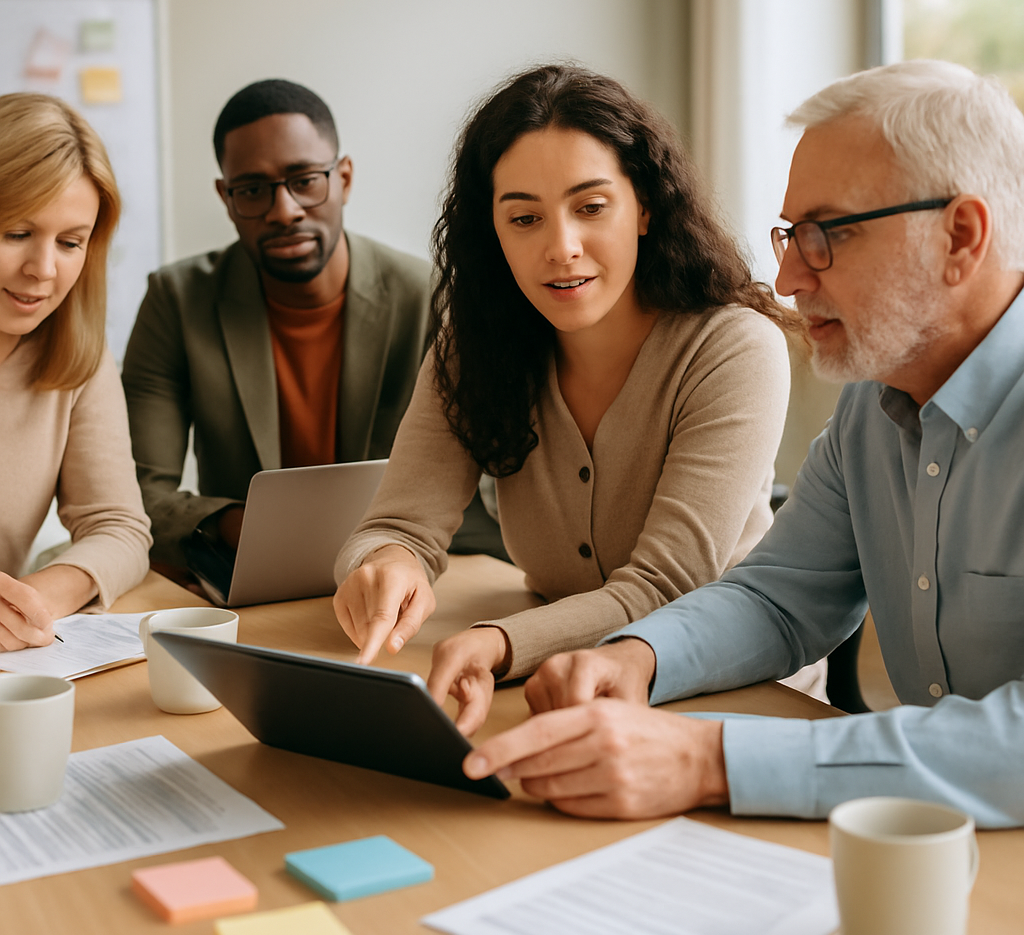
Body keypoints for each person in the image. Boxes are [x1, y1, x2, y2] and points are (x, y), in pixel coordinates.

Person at [461, 60, 1024, 830]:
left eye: (825, 235)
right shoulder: (873, 406)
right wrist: (634, 659)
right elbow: (778, 596)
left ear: (960, 236)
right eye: (790, 236)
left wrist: (704, 761)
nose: (787, 278)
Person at [334, 64, 816, 736]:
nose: (561, 248)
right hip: (553, 679)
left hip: (725, 687)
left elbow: (663, 589)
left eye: (591, 208)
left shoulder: (734, 347)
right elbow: (399, 525)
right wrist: (382, 564)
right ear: (493, 232)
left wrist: (501, 643)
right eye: (524, 218)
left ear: (644, 205)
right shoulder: (472, 345)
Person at [122, 79, 498, 578]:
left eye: (305, 180)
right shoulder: (178, 300)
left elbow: (487, 487)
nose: (284, 211)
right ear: (226, 197)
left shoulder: (430, 296)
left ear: (343, 178)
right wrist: (248, 525)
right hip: (254, 576)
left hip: (407, 575)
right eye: (252, 190)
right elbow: (133, 494)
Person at [0, 93, 151, 651]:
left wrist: (32, 600)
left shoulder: (77, 354)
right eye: (16, 233)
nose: (42, 270)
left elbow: (121, 528)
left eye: (70, 243)